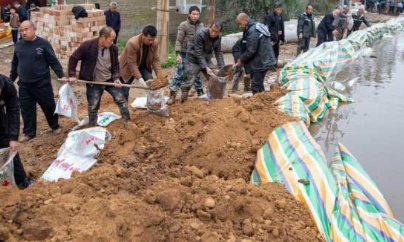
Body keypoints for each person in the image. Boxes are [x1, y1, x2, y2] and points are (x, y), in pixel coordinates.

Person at [10, 21, 64, 142]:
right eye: (21, 30)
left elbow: (53, 61)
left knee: (49, 106)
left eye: (26, 29)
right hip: (24, 85)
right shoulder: (18, 45)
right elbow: (15, 64)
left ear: (34, 29)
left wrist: (61, 75)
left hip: (42, 84)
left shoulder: (43, 44)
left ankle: (54, 126)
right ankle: (29, 132)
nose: (23, 32)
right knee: (26, 109)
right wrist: (10, 80)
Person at [68, 27, 130, 126]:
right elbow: (73, 58)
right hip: (94, 81)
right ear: (103, 37)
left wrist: (116, 78)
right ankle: (93, 127)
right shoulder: (88, 45)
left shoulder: (113, 48)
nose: (112, 42)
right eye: (111, 39)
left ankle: (127, 122)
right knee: (93, 106)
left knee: (121, 99)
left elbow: (116, 65)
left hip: (109, 80)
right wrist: (72, 74)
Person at [0, 73, 33, 189]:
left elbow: (13, 110)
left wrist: (13, 138)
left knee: (9, 147)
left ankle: (22, 181)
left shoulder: (8, 86)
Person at [168, 5, 204, 104]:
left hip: (195, 55)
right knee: (179, 74)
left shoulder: (201, 26)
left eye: (197, 14)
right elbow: (179, 41)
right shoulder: (183, 25)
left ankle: (200, 93)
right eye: (193, 14)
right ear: (189, 14)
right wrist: (178, 54)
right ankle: (172, 95)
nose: (195, 16)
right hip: (184, 53)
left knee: (196, 75)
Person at [180, 22, 225, 102]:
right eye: (212, 30)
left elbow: (218, 52)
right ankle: (183, 99)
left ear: (220, 32)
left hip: (206, 58)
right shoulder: (200, 34)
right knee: (188, 81)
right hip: (193, 59)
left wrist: (223, 67)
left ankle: (215, 98)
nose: (213, 33)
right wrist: (205, 67)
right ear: (209, 27)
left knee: (214, 78)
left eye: (216, 32)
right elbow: (198, 52)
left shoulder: (219, 37)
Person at [234, 13, 276, 95]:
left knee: (255, 85)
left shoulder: (252, 31)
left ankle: (258, 105)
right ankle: (263, 102)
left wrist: (241, 59)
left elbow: (251, 50)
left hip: (262, 62)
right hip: (262, 60)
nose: (239, 26)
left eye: (239, 23)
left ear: (245, 20)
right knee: (258, 84)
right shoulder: (253, 27)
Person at [120, 25, 163, 101]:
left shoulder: (154, 43)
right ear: (143, 35)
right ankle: (124, 107)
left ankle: (152, 105)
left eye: (153, 39)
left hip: (143, 66)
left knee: (152, 84)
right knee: (125, 91)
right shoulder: (132, 43)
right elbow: (132, 63)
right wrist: (139, 78)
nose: (151, 42)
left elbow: (155, 59)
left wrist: (160, 75)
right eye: (149, 39)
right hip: (128, 68)